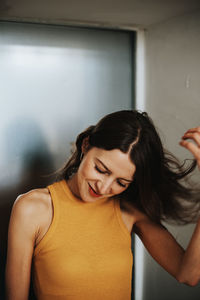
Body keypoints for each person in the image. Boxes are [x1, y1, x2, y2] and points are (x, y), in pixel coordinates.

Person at [5, 110, 200, 300]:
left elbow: (188, 274)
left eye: (121, 183)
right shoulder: (32, 209)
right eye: (101, 169)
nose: (104, 187)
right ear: (86, 145)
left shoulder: (130, 211)